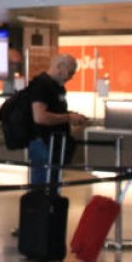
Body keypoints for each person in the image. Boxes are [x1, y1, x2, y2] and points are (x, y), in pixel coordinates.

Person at [27, 54, 88, 185]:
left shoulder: (57, 87)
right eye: (70, 72)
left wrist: (70, 116)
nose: (71, 77)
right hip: (43, 143)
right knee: (42, 187)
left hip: (55, 144)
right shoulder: (42, 85)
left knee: (53, 184)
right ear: (60, 67)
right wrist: (68, 117)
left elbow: (54, 111)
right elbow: (40, 116)